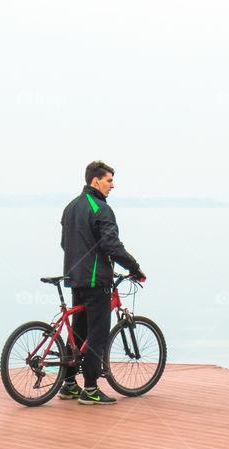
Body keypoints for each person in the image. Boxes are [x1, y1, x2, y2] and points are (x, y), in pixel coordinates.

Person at [59, 161, 145, 405]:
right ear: (96, 181)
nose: (112, 185)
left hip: (75, 277)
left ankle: (68, 384)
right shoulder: (101, 208)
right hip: (96, 279)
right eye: (109, 180)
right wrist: (134, 267)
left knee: (78, 331)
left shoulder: (70, 207)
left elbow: (65, 243)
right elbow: (111, 245)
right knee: (98, 334)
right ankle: (90, 388)